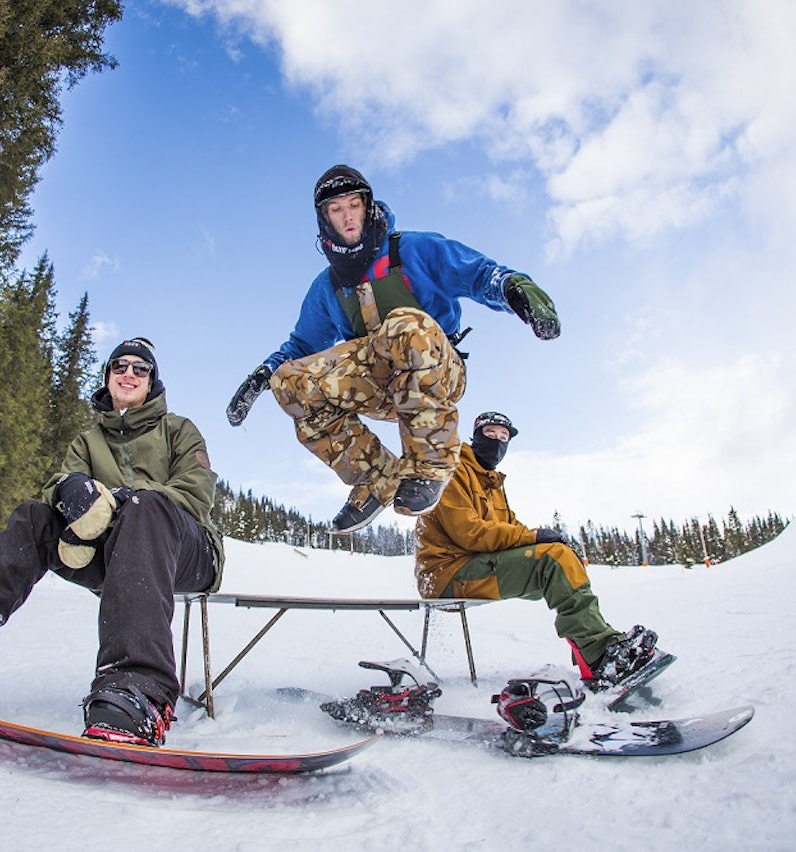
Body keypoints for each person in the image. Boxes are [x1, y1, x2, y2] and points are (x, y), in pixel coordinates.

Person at [0, 338, 224, 747]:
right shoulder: (88, 441)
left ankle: (140, 690)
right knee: (34, 518)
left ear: (152, 382)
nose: (129, 374)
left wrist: (124, 499)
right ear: (108, 378)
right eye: (119, 366)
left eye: (140, 368)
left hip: (187, 549)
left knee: (145, 509)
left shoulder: (178, 430)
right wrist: (67, 489)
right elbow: (57, 496)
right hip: (111, 550)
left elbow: (196, 494)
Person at [225, 164, 560, 534]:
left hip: (436, 370)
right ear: (324, 219)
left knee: (405, 326)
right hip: (381, 384)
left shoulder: (415, 249)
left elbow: (480, 274)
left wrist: (516, 291)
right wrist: (264, 375)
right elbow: (302, 346)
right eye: (336, 209)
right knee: (291, 381)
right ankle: (377, 479)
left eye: (353, 204)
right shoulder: (328, 286)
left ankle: (429, 465)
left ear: (367, 206)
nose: (347, 216)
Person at [414, 411, 659, 691]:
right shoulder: (452, 470)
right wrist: (536, 538)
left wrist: (547, 542)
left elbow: (510, 526)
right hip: (447, 575)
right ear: (476, 436)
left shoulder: (491, 482)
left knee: (560, 560)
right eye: (490, 434)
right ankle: (599, 655)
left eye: (504, 437)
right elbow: (470, 533)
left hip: (475, 567)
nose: (497, 442)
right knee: (553, 562)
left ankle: (600, 647)